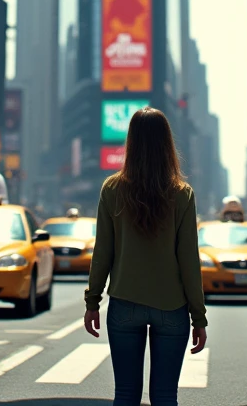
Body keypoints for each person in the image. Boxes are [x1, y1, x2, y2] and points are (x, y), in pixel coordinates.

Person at [84, 107, 206, 406]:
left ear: (131, 143)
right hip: (172, 308)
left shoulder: (112, 189)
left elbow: (103, 252)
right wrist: (198, 317)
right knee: (165, 396)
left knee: (125, 395)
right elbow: (189, 260)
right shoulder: (182, 194)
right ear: (167, 145)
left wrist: (92, 302)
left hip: (124, 304)